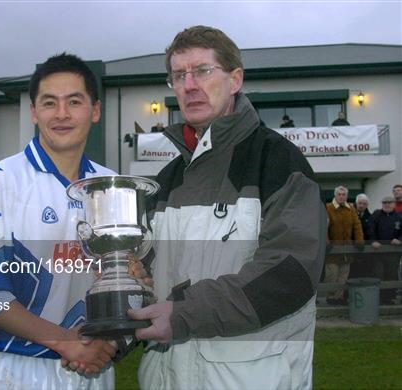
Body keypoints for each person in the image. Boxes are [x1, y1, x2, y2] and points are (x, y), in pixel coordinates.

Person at [127, 26, 327, 390]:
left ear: (235, 79)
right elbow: (151, 272)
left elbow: (290, 273)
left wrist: (185, 313)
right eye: (178, 75)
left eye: (202, 70)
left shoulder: (279, 162)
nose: (188, 85)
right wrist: (132, 285)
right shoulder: (166, 179)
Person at [0, 53, 122, 389]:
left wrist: (110, 343)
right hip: (13, 370)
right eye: (49, 103)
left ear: (95, 110)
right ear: (33, 111)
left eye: (74, 101)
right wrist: (65, 341)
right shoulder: (0, 181)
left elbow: (129, 285)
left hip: (93, 370)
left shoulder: (111, 185)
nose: (61, 114)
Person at [325, 186, 364, 304]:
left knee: (343, 276)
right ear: (335, 195)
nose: (341, 197)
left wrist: (359, 241)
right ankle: (331, 297)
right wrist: (327, 242)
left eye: (343, 195)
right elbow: (323, 227)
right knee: (332, 275)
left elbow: (357, 226)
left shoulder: (351, 209)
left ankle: (339, 298)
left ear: (346, 196)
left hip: (347, 251)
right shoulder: (328, 208)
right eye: (339, 194)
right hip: (332, 251)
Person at [369, 196, 402, 304]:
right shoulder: (376, 215)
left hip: (393, 253)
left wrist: (399, 240)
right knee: (378, 274)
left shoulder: (399, 217)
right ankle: (378, 298)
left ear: (394, 204)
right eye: (384, 203)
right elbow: (370, 229)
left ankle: (389, 298)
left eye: (389, 202)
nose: (387, 205)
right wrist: (373, 241)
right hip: (378, 252)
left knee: (391, 274)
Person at [351, 193, 373, 278]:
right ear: (356, 203)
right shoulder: (349, 214)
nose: (361, 206)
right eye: (360, 203)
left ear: (367, 205)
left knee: (364, 271)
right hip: (351, 247)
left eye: (364, 204)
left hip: (365, 248)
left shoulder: (370, 217)